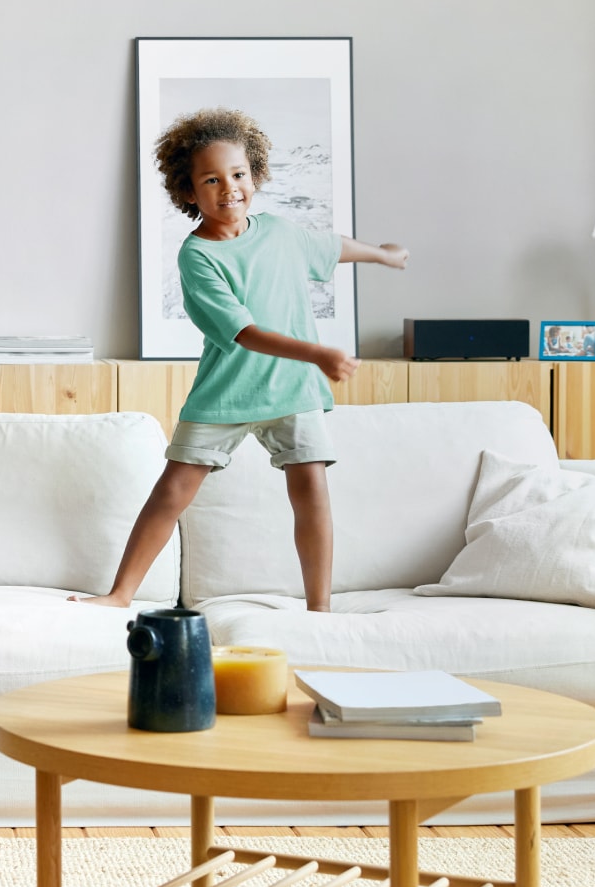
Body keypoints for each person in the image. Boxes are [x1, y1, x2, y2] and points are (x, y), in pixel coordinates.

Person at [74, 107, 408, 613]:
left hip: (292, 390)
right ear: (188, 192)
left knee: (311, 489)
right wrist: (317, 353)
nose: (229, 188)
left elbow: (331, 246)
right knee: (172, 491)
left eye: (239, 175)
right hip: (226, 393)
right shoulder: (197, 257)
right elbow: (244, 332)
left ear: (255, 176)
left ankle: (320, 609)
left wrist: (382, 253)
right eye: (212, 179)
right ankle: (120, 594)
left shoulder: (278, 231)